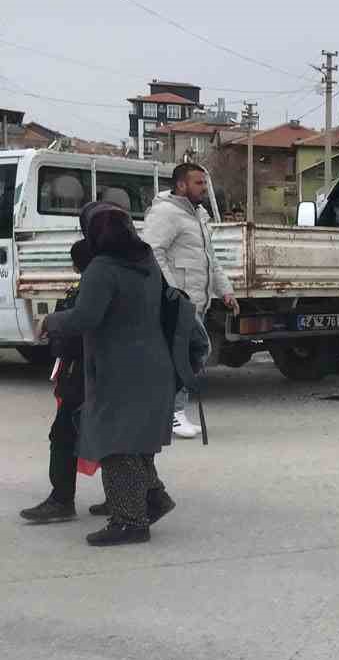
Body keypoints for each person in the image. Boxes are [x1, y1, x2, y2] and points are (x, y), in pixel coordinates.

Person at [39, 204, 205, 545]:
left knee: (116, 444)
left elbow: (85, 317)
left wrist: (50, 322)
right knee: (136, 442)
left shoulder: (102, 268)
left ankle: (130, 522)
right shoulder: (146, 262)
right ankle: (153, 499)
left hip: (119, 369)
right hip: (155, 364)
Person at [144, 163, 234, 439]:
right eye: (198, 183)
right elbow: (152, 252)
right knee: (192, 353)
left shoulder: (198, 215)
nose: (204, 188)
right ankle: (173, 413)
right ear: (181, 185)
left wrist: (225, 290)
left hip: (197, 300)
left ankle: (171, 412)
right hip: (179, 302)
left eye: (205, 183)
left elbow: (210, 259)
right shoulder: (166, 213)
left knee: (186, 355)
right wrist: (173, 291)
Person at [18, 240, 102, 524]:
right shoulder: (120, 275)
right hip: (106, 371)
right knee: (112, 435)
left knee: (64, 433)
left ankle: (61, 500)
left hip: (84, 372)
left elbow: (79, 326)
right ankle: (131, 495)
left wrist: (52, 324)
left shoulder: (93, 285)